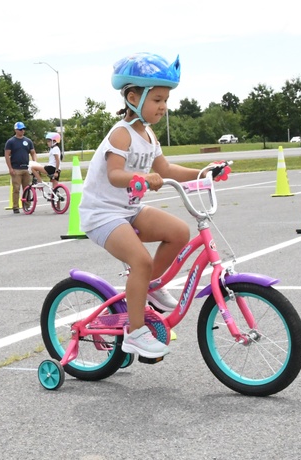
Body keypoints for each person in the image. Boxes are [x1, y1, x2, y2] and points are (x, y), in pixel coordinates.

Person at [79, 52, 220, 359]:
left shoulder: (149, 135)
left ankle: (150, 286)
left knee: (179, 232)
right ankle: (135, 333)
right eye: (157, 99)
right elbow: (115, 175)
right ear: (133, 97)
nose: (163, 106)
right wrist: (142, 178)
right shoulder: (122, 134)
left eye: (165, 100)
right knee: (140, 261)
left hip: (128, 210)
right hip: (102, 214)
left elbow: (166, 170)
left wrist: (203, 173)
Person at [4, 121, 36, 213]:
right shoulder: (11, 142)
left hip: (26, 168)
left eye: (23, 129)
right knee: (16, 189)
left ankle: (27, 205)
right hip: (16, 168)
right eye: (20, 129)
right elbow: (7, 155)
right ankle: (15, 207)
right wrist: (10, 168)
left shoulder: (28, 141)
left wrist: (34, 163)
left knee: (27, 188)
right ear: (16, 130)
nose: (22, 131)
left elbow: (33, 152)